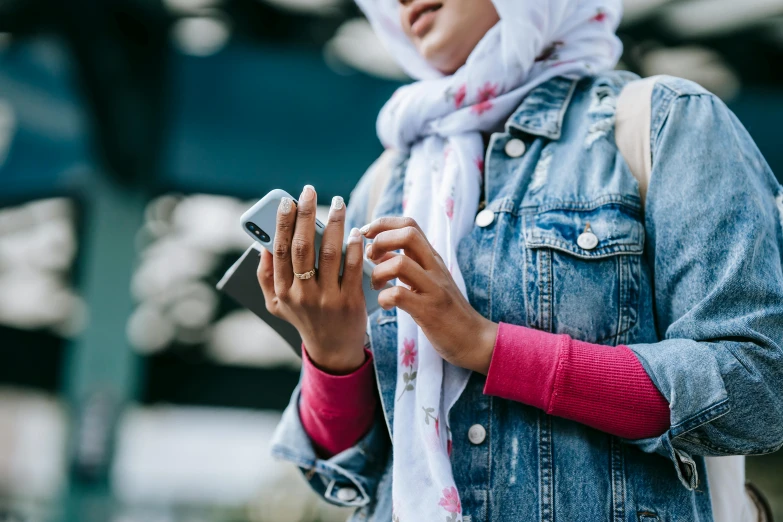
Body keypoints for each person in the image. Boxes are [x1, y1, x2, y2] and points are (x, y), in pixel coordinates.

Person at [260, 0, 783, 520]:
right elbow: (356, 469)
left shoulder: (665, 120)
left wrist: (487, 347)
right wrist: (331, 354)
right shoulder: (387, 183)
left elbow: (757, 389)